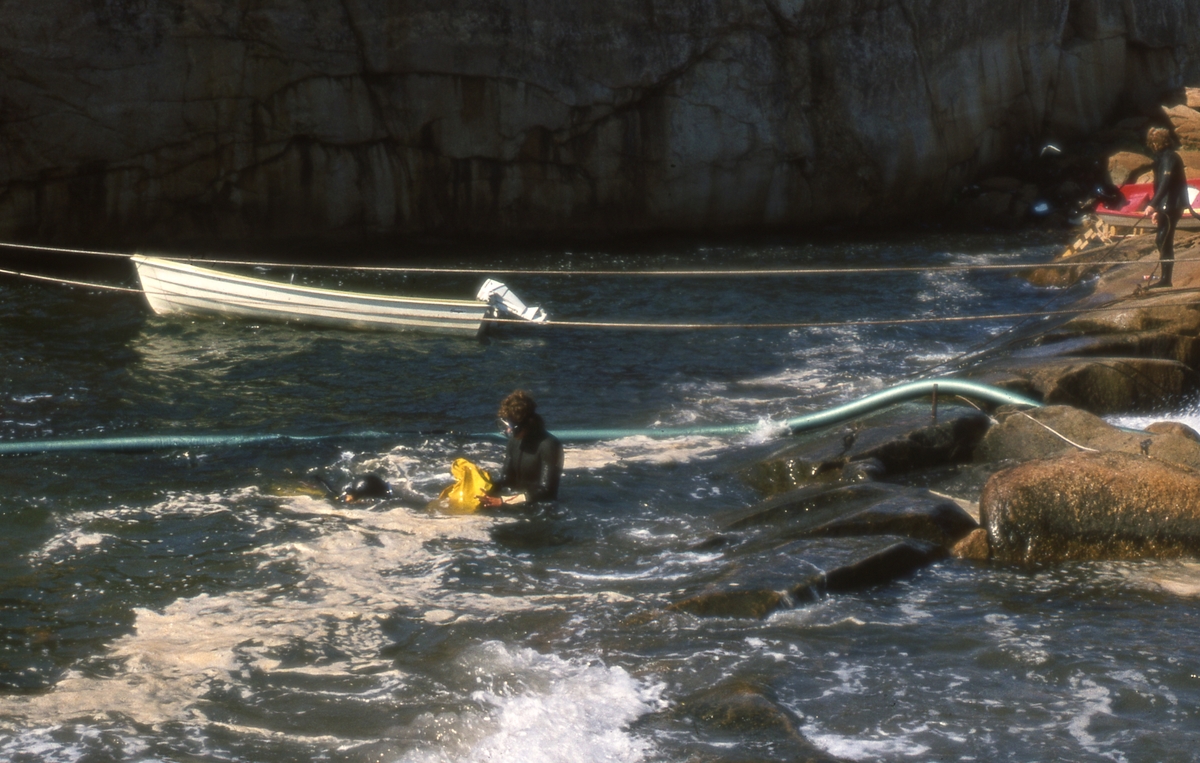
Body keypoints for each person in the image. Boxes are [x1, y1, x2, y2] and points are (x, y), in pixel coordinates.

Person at [478, 390, 562, 508]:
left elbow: (546, 491)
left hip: (540, 507)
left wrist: (504, 501)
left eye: (511, 427)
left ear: (526, 424)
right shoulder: (514, 440)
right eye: (505, 425)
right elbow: (506, 480)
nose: (507, 431)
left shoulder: (549, 445)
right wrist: (486, 489)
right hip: (514, 502)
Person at [1142, 126, 1191, 288]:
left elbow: (1165, 183)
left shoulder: (1170, 158)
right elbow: (1161, 185)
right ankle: (1165, 278)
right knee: (1162, 239)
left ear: (1156, 144)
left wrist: (1152, 205)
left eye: (1152, 144)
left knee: (1164, 240)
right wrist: (1157, 209)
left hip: (1172, 205)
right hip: (1167, 205)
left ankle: (1166, 280)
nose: (1152, 147)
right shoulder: (1163, 157)